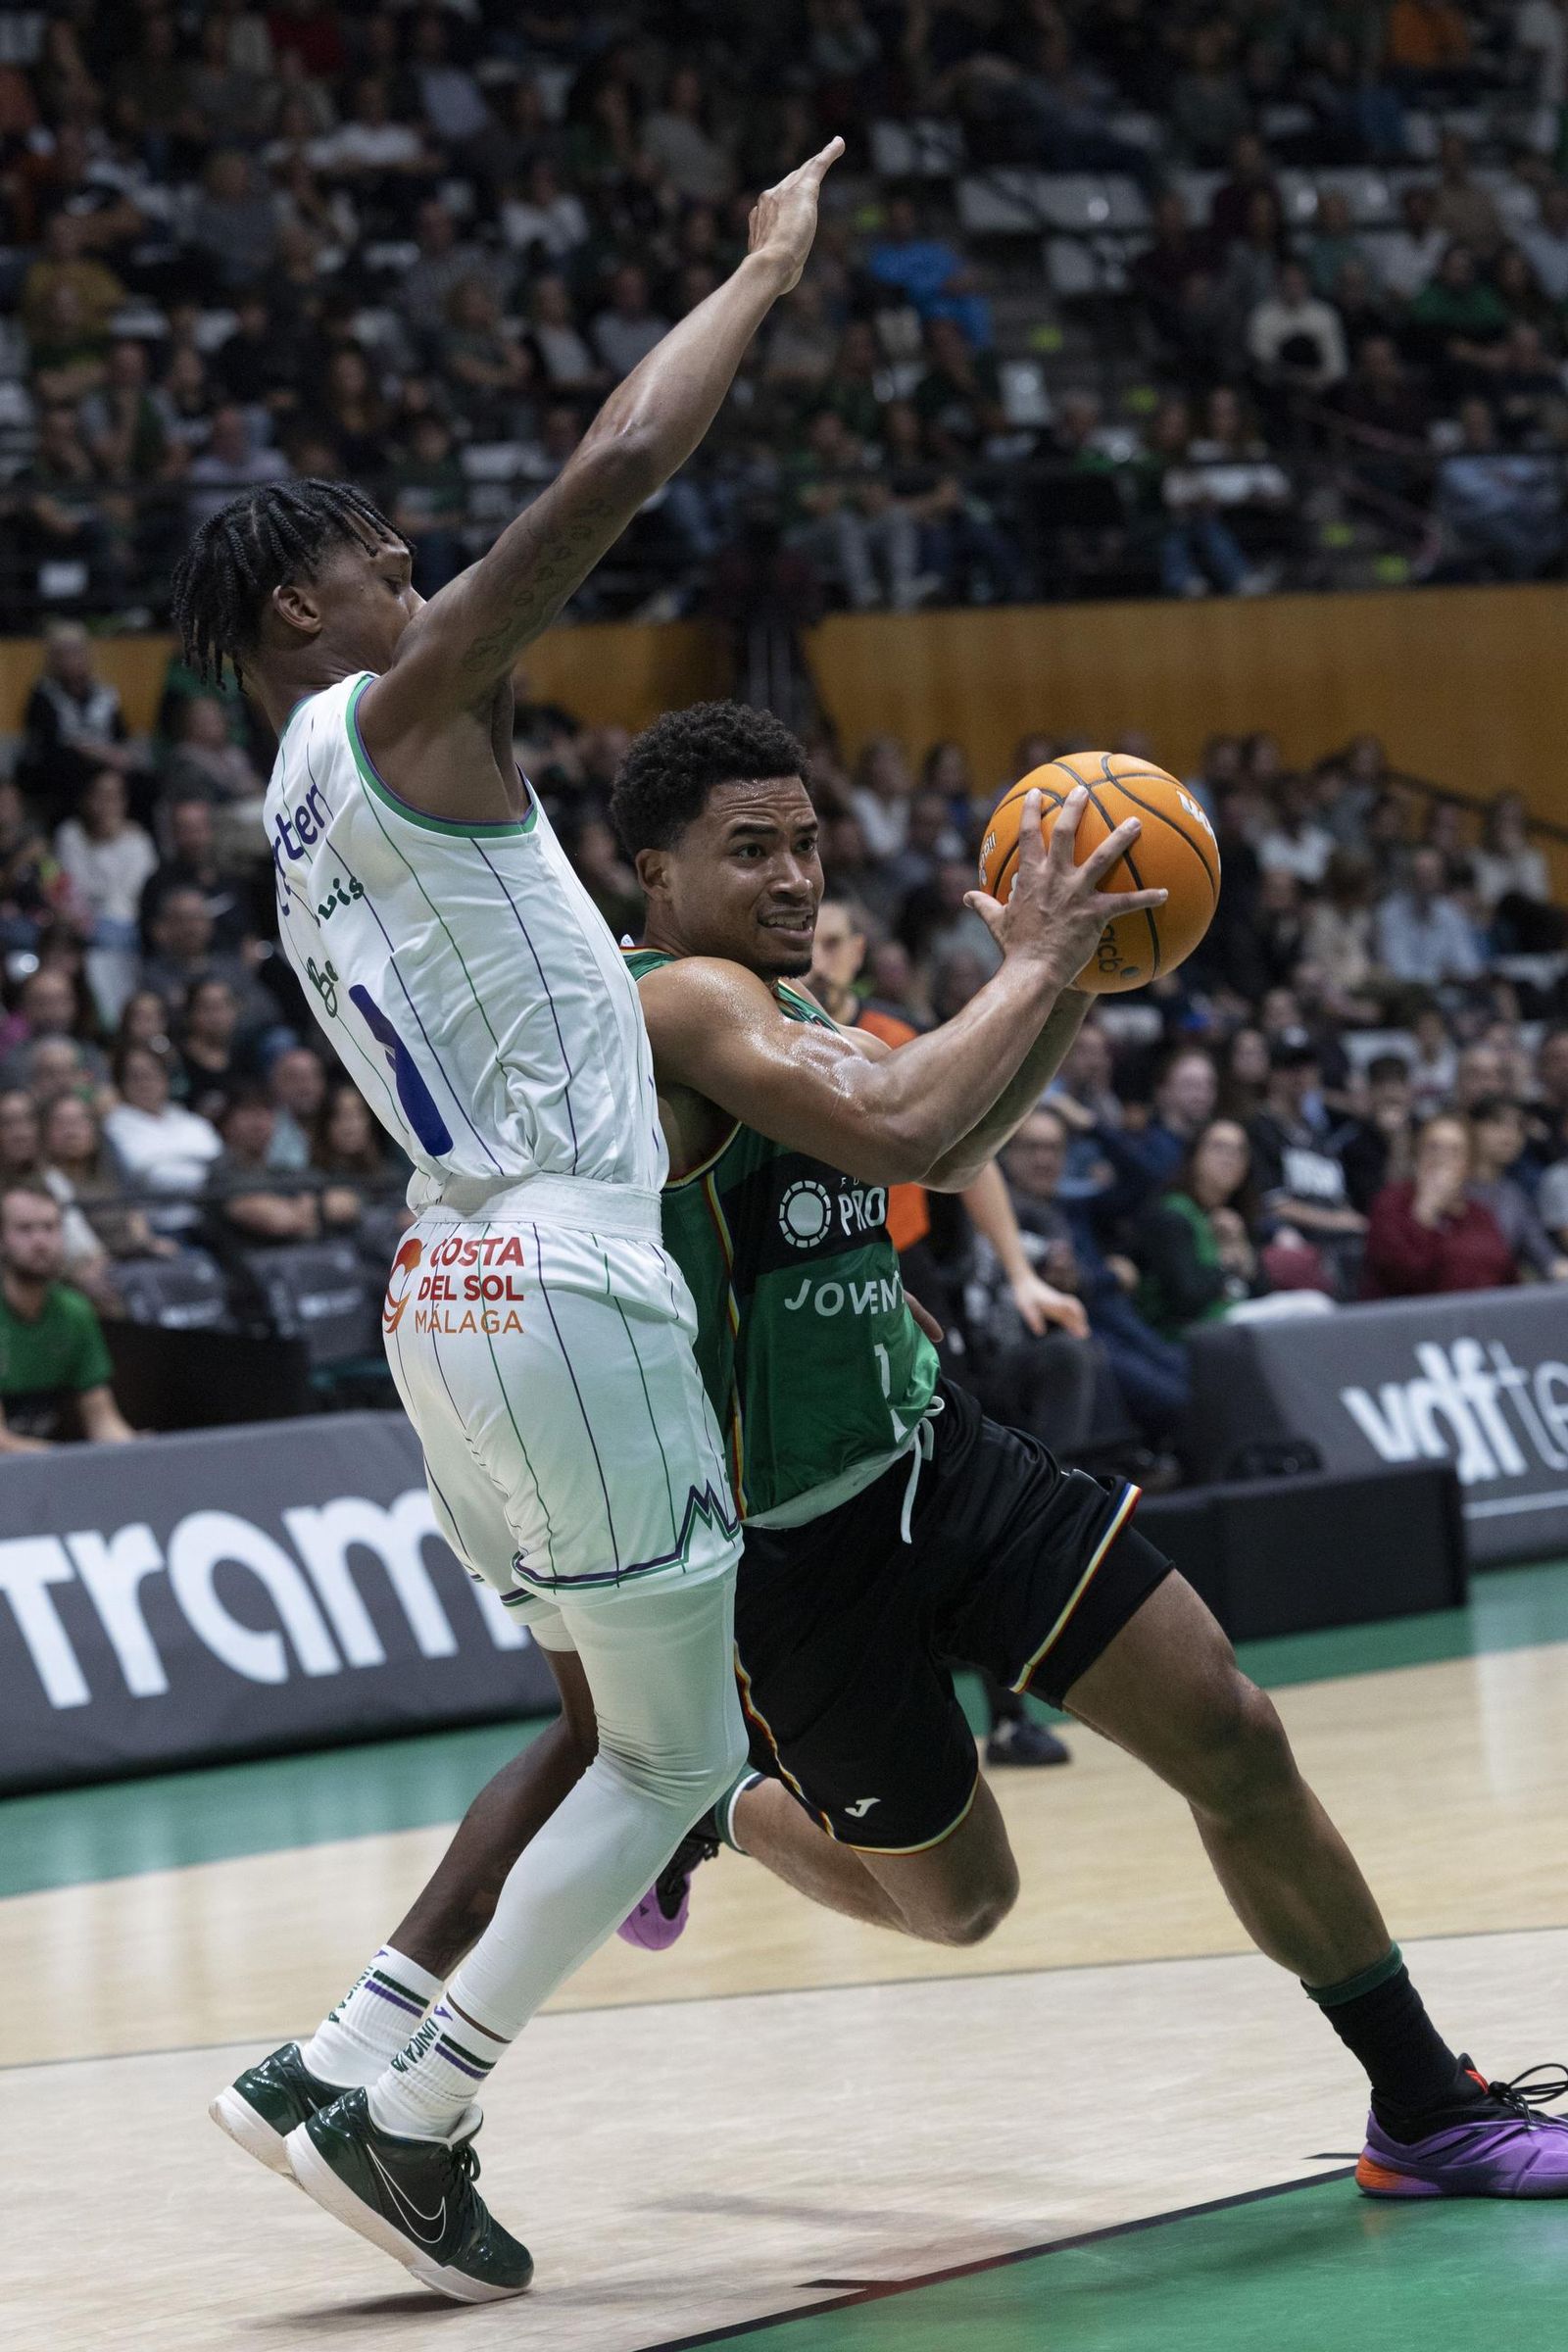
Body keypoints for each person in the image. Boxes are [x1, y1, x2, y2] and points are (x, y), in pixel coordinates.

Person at [230, 702, 1568, 2226]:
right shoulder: (664, 1007)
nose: (797, 877)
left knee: (1231, 1728)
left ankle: (1427, 2109)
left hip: (938, 1456)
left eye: (808, 842)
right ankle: (718, 1801)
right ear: (652, 876)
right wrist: (1042, 962)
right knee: (965, 1902)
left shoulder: (792, 1007)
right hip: (785, 1558)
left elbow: (948, 1141)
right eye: (753, 853)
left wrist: (1082, 973)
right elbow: (910, 1123)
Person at [184, 145, 932, 2308]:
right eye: (384, 564)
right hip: (566, 1274)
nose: (421, 581)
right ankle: (414, 2120)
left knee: (623, 1728)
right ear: (298, 619)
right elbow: (611, 464)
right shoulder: (396, 717)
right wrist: (762, 270)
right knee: (682, 1752)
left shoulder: (297, 803)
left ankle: (336, 2062)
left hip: (451, 1284)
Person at [0, 1181, 134, 1448]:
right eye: (25, 1229)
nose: (40, 1242)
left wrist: (134, 1451)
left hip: (50, 1463)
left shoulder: (74, 1311)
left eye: (50, 1227)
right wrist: (72, 1464)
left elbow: (102, 1418)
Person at [1135, 1119, 1267, 1340]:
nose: (1229, 1158)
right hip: (1189, 1336)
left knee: (1311, 1305)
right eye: (1219, 1147)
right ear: (1195, 1155)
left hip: (1239, 1324)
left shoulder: (1238, 1216)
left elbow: (1263, 1294)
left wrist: (1242, 1249)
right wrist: (1227, 1265)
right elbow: (1185, 1299)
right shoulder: (1172, 1215)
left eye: (1239, 1151)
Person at [1363, 1112, 1516, 1298]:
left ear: (1467, 1164)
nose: (1441, 1159)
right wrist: (1426, 1212)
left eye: (1454, 1151)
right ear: (1417, 1155)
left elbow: (1505, 1272)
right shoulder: (1391, 1204)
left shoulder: (1479, 1214)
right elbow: (1402, 1277)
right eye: (1433, 1148)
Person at [1467, 1096, 1568, 1283]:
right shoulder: (1449, 1189)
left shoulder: (1515, 1196)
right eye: (1498, 1122)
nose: (1510, 1134)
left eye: (1519, 1127)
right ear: (1471, 1128)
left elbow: (1547, 1259)